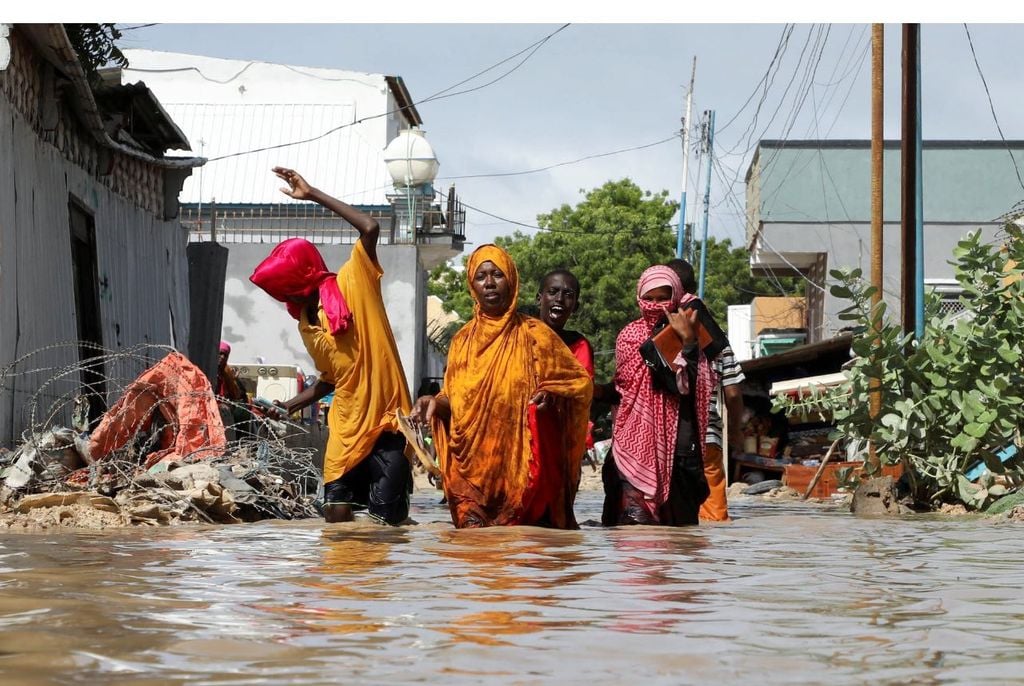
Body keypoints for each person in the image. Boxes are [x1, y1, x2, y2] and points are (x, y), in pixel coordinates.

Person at [249, 166, 412, 526]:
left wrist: (312, 194)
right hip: (345, 426)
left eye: (287, 287)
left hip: (386, 425)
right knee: (335, 515)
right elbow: (331, 379)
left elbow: (370, 228)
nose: (285, 296)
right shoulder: (305, 324)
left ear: (302, 274)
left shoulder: (355, 282)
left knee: (386, 525)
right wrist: (288, 406)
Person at [410, 245, 593, 529]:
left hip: (524, 474)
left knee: (525, 546)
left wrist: (551, 395)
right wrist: (433, 402)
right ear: (472, 285)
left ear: (511, 280)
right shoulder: (462, 342)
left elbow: (578, 384)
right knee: (473, 547)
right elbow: (455, 401)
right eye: (481, 276)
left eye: (497, 274)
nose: (489, 283)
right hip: (471, 476)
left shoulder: (536, 335)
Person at [602, 265, 713, 527]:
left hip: (681, 447)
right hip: (633, 443)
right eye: (648, 298)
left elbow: (696, 385)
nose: (654, 305)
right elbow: (627, 385)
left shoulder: (693, 333)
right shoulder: (628, 336)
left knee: (681, 533)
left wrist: (688, 342)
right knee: (634, 528)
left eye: (662, 298)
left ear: (675, 297)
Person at [666, 258, 746, 522]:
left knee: (669, 520)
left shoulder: (659, 337)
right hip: (708, 437)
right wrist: (735, 432)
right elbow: (733, 393)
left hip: (667, 437)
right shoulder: (720, 344)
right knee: (714, 519)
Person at [215, 341, 251, 440]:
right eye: (220, 353)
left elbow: (236, 394)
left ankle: (242, 441)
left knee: (243, 411)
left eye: (225, 355)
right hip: (215, 405)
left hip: (228, 405)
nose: (222, 357)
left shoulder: (227, 373)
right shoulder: (209, 370)